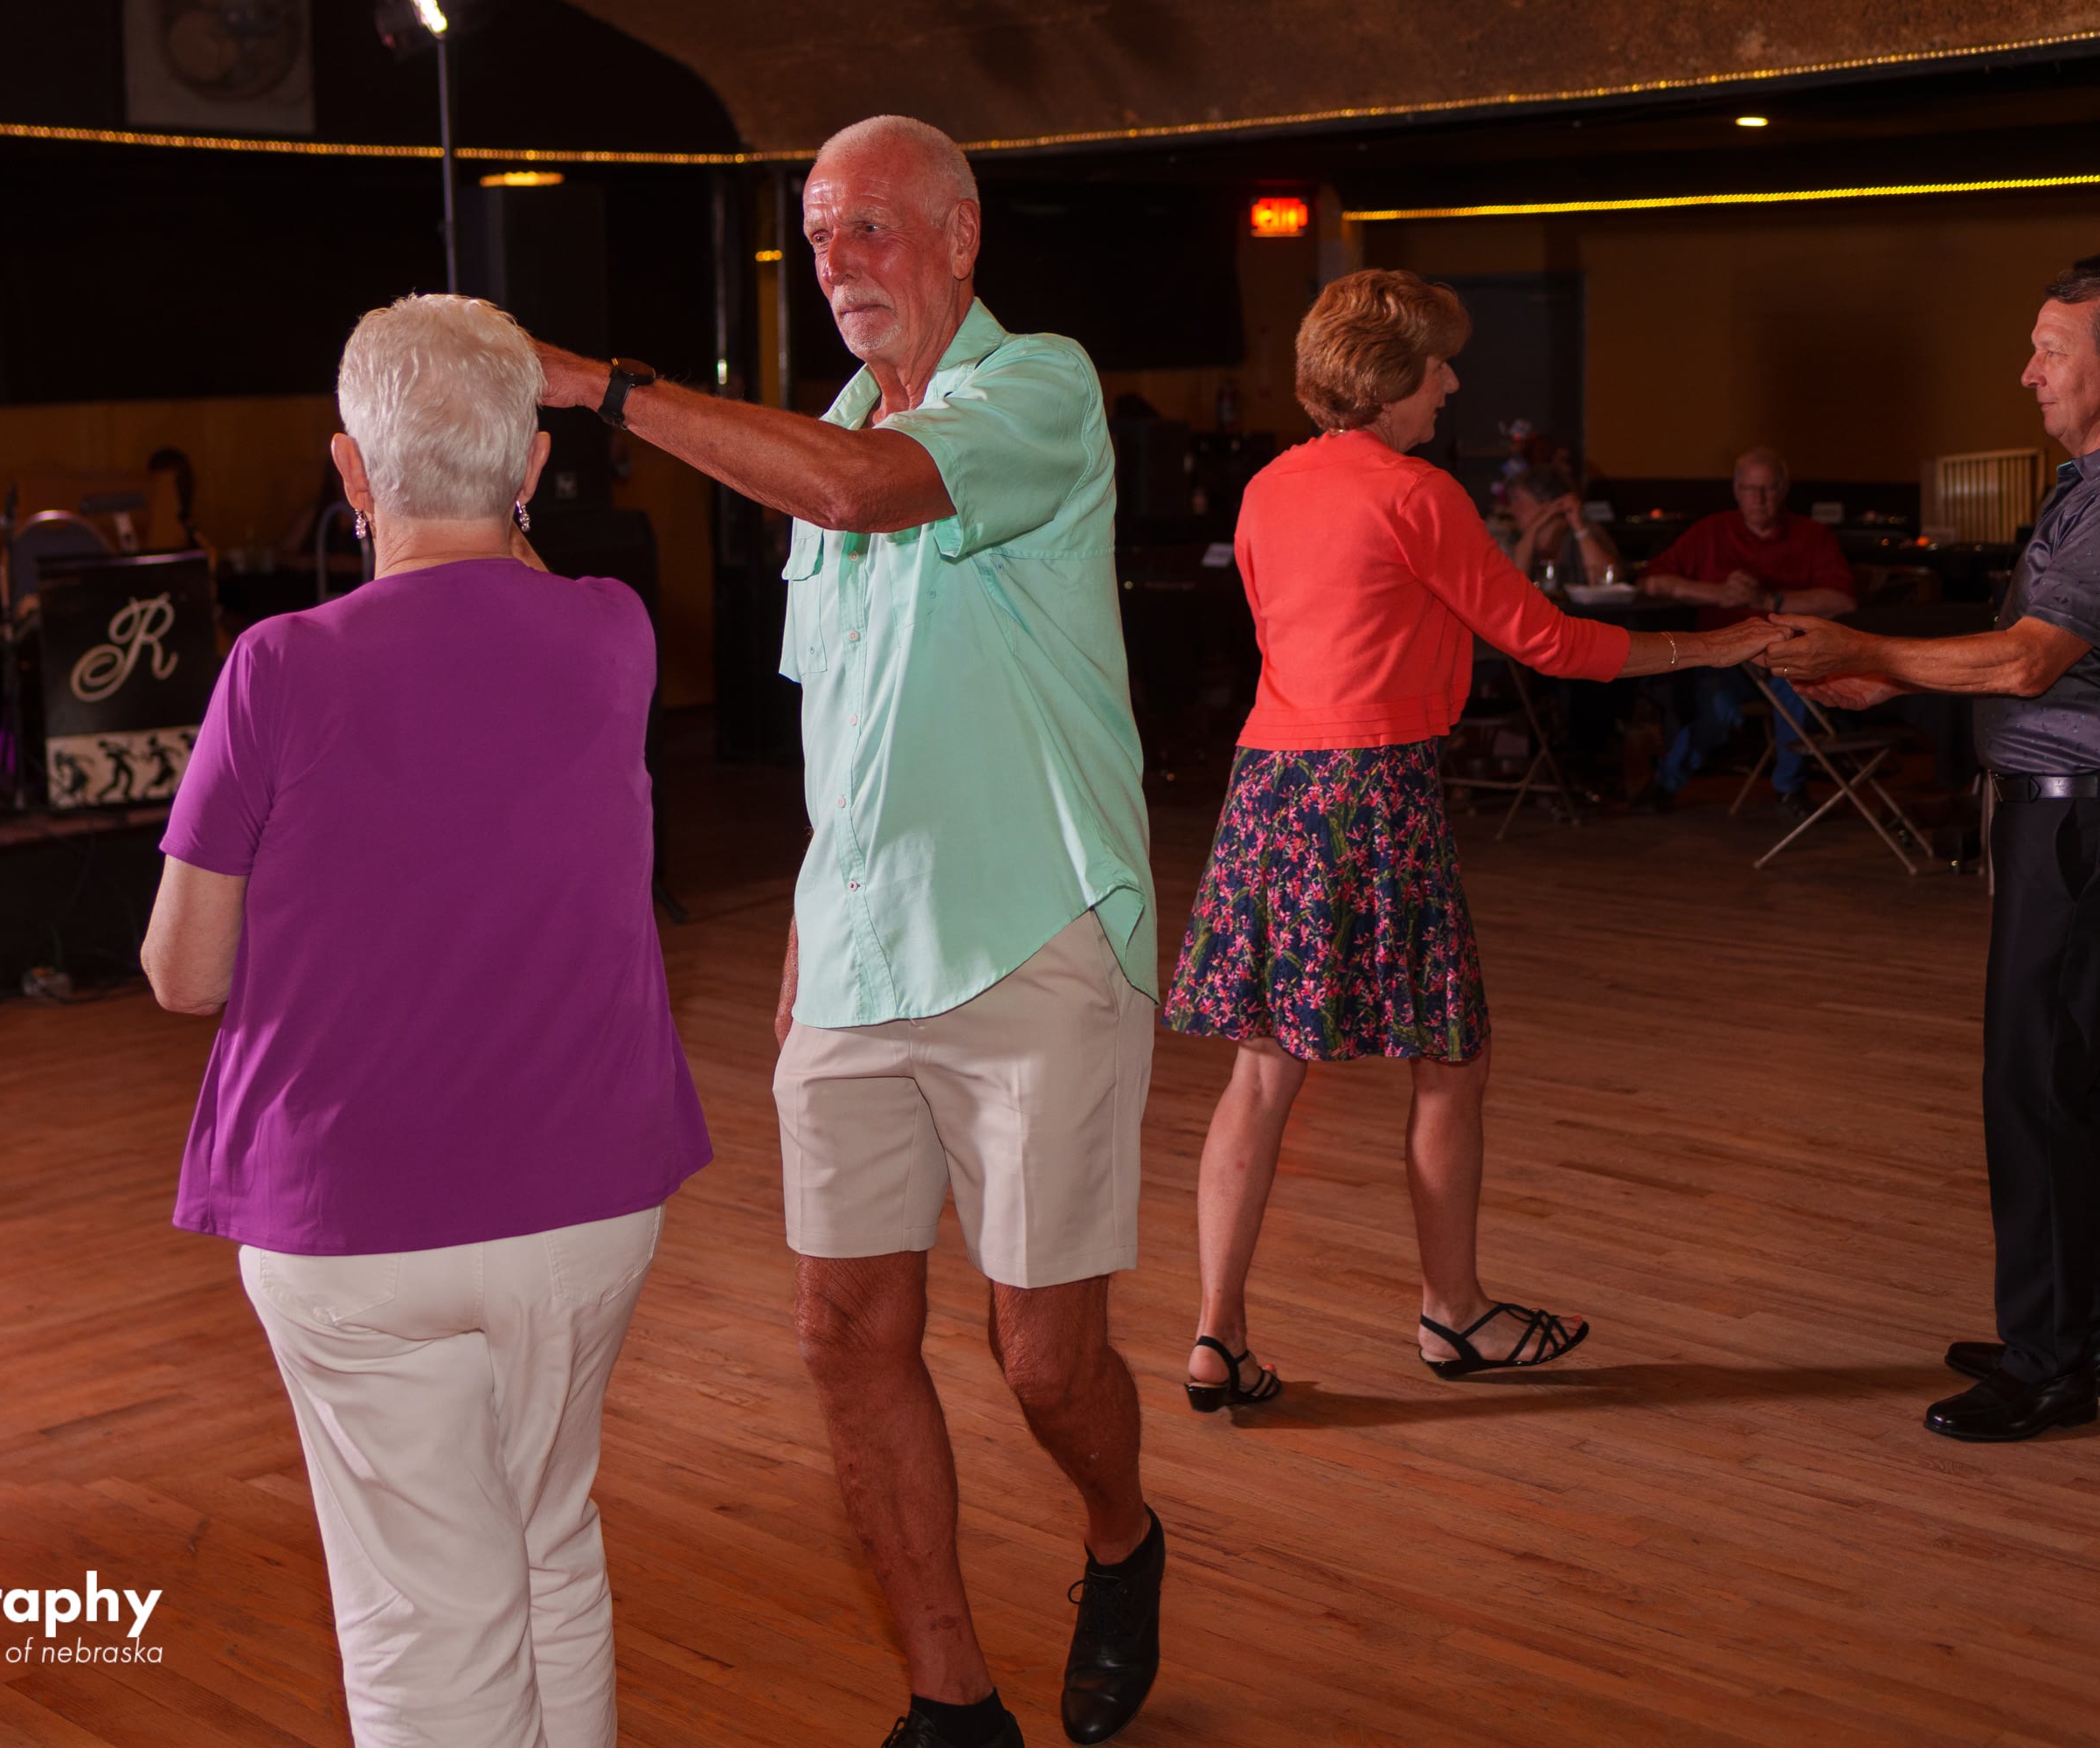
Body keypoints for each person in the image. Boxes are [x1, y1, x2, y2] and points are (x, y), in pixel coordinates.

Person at [531, 115, 1159, 1748]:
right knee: (838, 1330)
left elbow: (869, 493)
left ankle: (1120, 1533)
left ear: (960, 234)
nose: (835, 264)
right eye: (816, 237)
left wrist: (602, 388)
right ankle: (951, 1699)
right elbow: (849, 716)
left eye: (868, 228)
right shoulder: (818, 434)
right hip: (858, 952)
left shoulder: (1039, 388)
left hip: (1036, 936)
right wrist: (821, 910)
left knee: (1044, 1363)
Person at [141, 294, 711, 1745]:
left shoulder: (280, 665)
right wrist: (504, 486)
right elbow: (513, 587)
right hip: (587, 1199)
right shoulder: (614, 632)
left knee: (424, 1612)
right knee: (549, 1542)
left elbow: (184, 975)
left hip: (355, 1216)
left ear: (349, 468)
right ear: (535, 469)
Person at [1168, 269, 1787, 1415]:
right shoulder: (1419, 495)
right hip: (1375, 785)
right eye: (1437, 365)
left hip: (1268, 786)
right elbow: (1552, 643)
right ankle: (1453, 1313)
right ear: (1386, 379)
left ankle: (1217, 1336)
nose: (1452, 383)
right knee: (1453, 1059)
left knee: (1262, 1068)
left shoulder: (1265, 490)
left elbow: (1281, 637)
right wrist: (1713, 647)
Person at [1767, 257, 2100, 1443]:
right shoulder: (2082, 488)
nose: (2027, 373)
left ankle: (2051, 1359)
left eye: (2052, 350)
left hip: (2077, 823)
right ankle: (2067, 1328)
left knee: (2037, 1085)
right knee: (2064, 1083)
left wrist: (1868, 651)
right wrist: (1892, 675)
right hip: (2060, 814)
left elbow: (2028, 659)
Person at [1634, 447, 1859, 814]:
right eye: (1751, 489)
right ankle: (1666, 782)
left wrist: (1769, 599)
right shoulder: (1710, 532)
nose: (1759, 498)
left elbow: (1843, 601)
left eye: (1768, 488)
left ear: (1784, 489)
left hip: (1786, 654)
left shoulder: (1812, 535)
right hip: (1721, 656)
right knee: (1713, 707)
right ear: (1737, 491)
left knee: (1800, 691)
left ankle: (1790, 789)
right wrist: (1717, 594)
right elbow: (1650, 582)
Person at [1497, 461, 1622, 592]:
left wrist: (1579, 527)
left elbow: (1605, 580)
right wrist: (1533, 529)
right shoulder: (1515, 538)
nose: (1511, 509)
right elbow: (1511, 587)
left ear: (1546, 503)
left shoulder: (1582, 532)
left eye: (1517, 500)